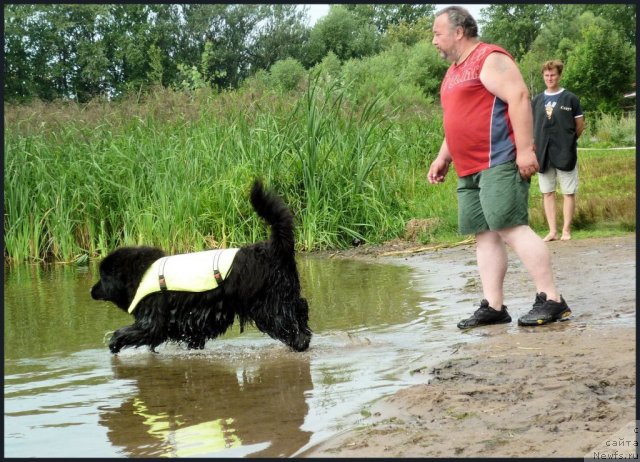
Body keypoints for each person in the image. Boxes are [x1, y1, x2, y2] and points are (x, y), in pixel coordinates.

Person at [427, 6, 572, 328]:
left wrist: (524, 150)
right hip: (468, 167)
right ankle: (494, 306)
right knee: (485, 235)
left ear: (458, 31)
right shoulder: (453, 71)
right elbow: (457, 120)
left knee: (510, 227)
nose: (434, 40)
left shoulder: (489, 58)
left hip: (499, 161)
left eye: (437, 33)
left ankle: (552, 299)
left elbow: (519, 96)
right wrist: (443, 156)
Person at [532, 60, 584, 241]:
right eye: (546, 75)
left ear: (559, 75)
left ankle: (566, 230)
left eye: (553, 74)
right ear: (543, 76)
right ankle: (552, 231)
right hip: (543, 154)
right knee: (547, 192)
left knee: (568, 192)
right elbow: (532, 126)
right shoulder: (537, 100)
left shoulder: (571, 99)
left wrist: (567, 141)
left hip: (565, 153)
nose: (550, 78)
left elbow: (579, 126)